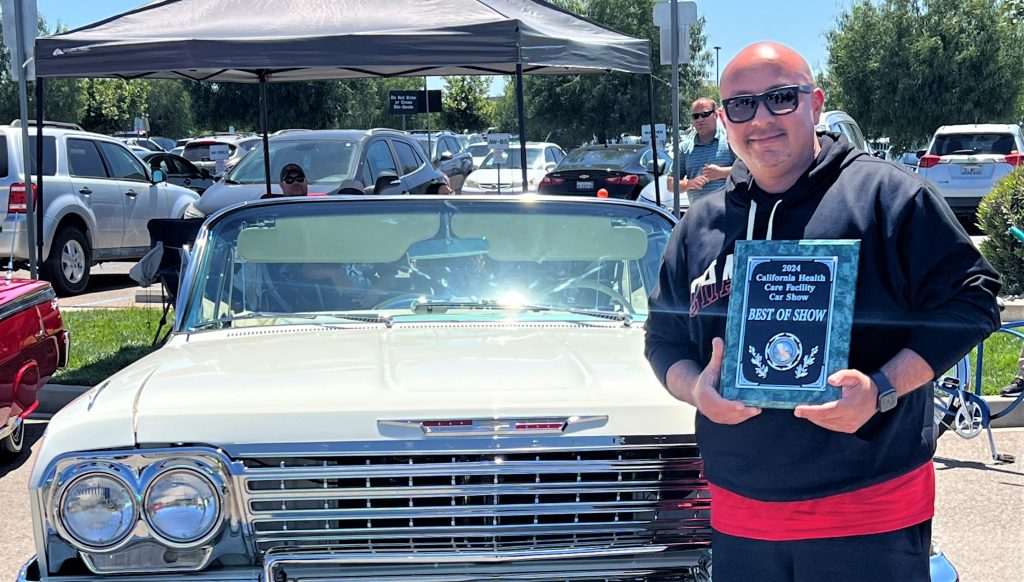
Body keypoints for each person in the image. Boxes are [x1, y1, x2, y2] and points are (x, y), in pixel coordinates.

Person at [644, 42, 1001, 581]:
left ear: (814, 103)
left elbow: (973, 301)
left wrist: (882, 387)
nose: (760, 118)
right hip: (741, 510)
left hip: (868, 507)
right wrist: (696, 388)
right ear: (723, 119)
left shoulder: (889, 198)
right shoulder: (703, 223)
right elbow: (663, 340)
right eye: (740, 105)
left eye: (780, 98)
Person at [668, 97, 737, 204]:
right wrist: (689, 184)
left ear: (716, 115)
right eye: (695, 116)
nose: (700, 119)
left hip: (730, 214)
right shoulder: (684, 148)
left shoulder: (731, 141)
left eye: (705, 114)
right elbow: (670, 184)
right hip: (699, 217)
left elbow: (750, 170)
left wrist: (722, 172)